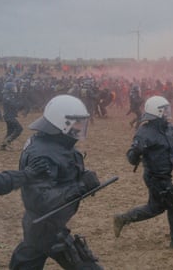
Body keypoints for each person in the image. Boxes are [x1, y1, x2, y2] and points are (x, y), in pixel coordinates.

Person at [10, 94, 103, 269]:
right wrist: (81, 185)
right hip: (43, 225)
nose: (80, 126)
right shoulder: (43, 154)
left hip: (48, 224)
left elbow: (61, 175)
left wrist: (82, 178)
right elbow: (41, 200)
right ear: (61, 123)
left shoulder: (55, 142)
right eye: (76, 122)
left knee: (28, 257)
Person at [113, 95, 173, 249]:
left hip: (163, 176)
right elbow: (131, 158)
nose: (168, 113)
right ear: (157, 112)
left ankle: (122, 218)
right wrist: (136, 152)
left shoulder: (170, 129)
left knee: (155, 208)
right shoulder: (144, 132)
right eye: (165, 110)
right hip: (155, 177)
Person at [0, 81, 24, 150]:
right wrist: (20, 103)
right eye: (13, 87)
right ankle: (8, 141)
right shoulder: (7, 96)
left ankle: (3, 146)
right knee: (19, 129)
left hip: (9, 116)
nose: (15, 88)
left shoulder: (9, 95)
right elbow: (15, 105)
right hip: (9, 116)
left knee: (10, 131)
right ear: (10, 88)